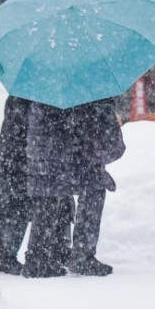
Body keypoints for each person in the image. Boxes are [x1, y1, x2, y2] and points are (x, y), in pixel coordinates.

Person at [23, 96, 125, 278]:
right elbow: (109, 145)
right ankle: (81, 256)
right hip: (74, 159)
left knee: (49, 201)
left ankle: (40, 258)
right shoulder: (92, 93)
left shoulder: (43, 92)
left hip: (45, 158)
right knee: (94, 192)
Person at [0, 94, 32, 276]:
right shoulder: (23, 100)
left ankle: (0, 254)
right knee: (15, 209)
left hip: (12, 161)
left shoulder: (19, 97)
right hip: (16, 163)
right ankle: (5, 256)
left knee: (11, 208)